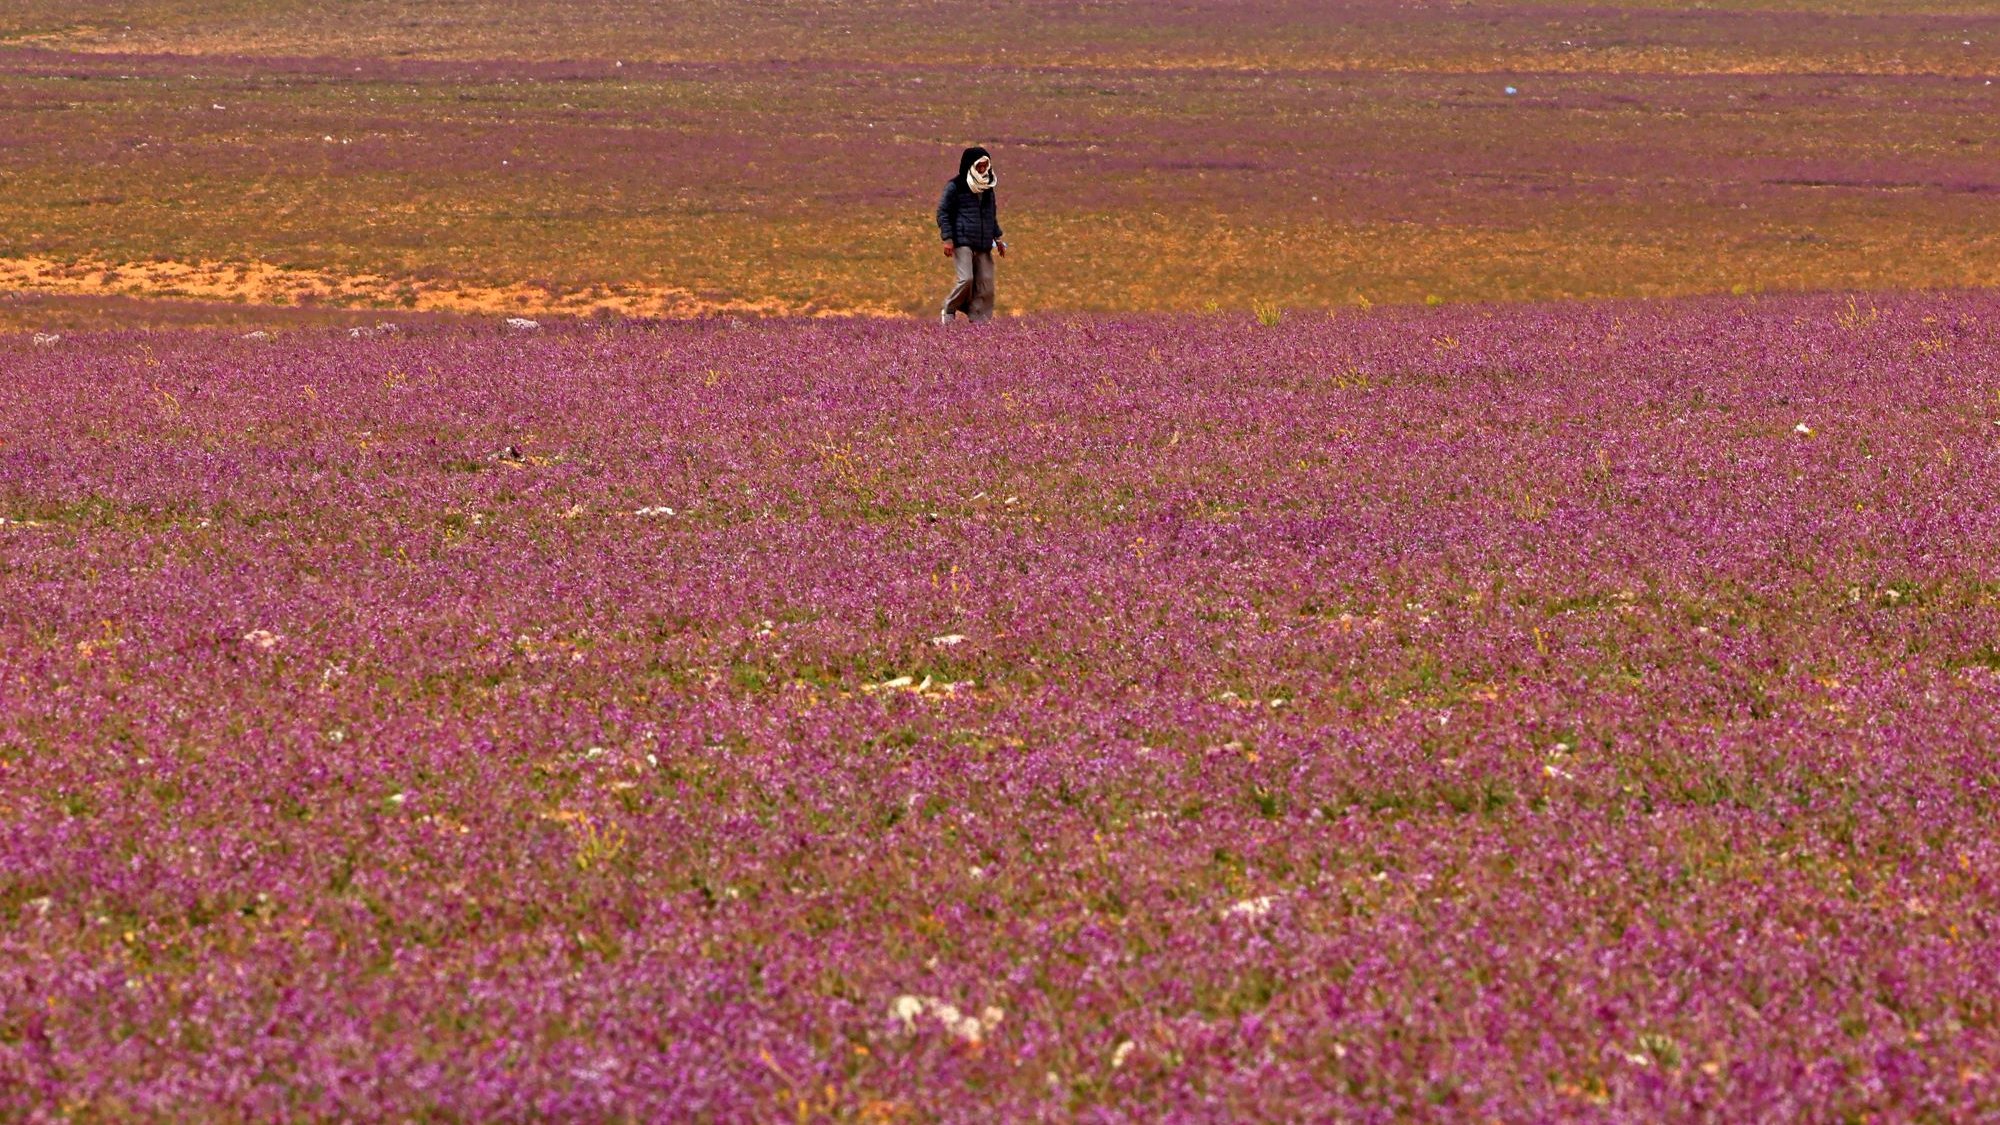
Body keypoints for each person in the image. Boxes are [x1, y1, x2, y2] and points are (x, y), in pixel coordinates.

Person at [936, 146, 1008, 324]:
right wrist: (948, 239)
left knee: (986, 283)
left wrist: (997, 238)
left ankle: (979, 323)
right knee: (966, 279)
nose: (983, 169)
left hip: (983, 241)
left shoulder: (988, 187)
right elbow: (943, 212)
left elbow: (991, 214)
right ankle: (949, 307)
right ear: (970, 165)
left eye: (985, 166)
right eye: (979, 166)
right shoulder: (955, 186)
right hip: (962, 240)